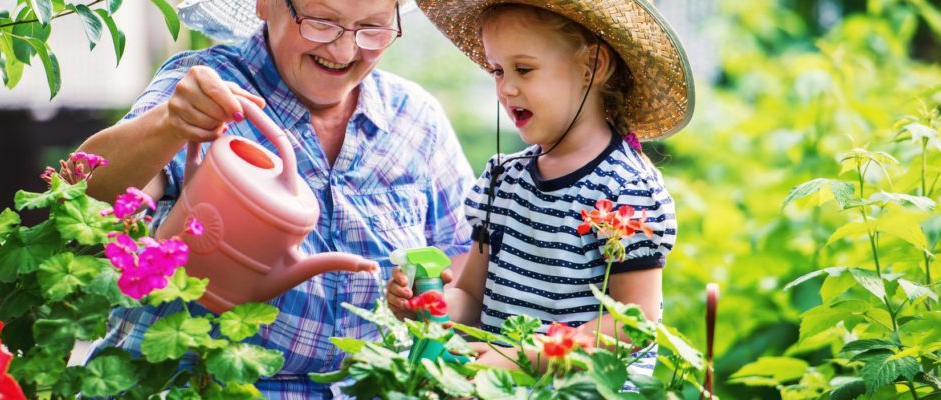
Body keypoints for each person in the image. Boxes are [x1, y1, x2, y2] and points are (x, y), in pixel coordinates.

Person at [74, 0, 476, 397]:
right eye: (321, 21)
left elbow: (460, 273)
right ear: (265, 4)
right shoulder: (209, 89)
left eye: (372, 28)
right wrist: (169, 124)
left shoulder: (414, 119)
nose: (344, 50)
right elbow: (87, 196)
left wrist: (426, 303)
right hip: (191, 387)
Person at [387, 0, 694, 384]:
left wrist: (528, 357)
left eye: (524, 69)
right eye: (497, 70)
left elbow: (632, 325)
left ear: (592, 68)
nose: (506, 87)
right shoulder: (502, 180)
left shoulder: (627, 191)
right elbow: (471, 296)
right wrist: (429, 308)